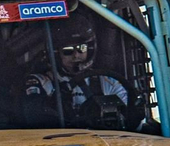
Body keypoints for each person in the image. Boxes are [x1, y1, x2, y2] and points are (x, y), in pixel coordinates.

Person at [24, 16, 154, 132]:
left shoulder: (109, 82)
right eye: (67, 51)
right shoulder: (42, 82)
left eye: (81, 48)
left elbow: (133, 125)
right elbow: (35, 119)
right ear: (56, 53)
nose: (76, 56)